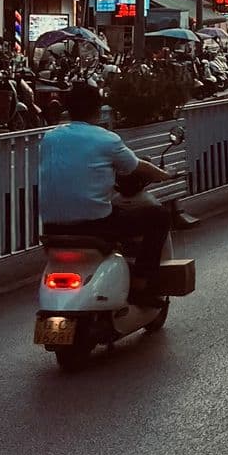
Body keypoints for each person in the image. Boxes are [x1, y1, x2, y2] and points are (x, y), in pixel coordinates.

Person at [39, 80, 173, 295]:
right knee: (159, 217)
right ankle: (141, 279)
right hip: (95, 225)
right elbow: (137, 166)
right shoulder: (106, 139)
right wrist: (166, 175)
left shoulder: (50, 138)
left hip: (51, 227)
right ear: (97, 109)